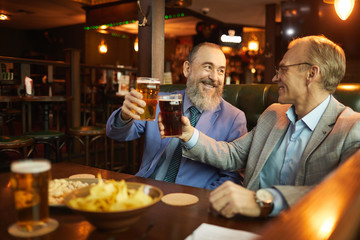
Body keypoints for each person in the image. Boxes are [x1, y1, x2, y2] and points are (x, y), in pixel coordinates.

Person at [159, 35, 360, 217]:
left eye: (283, 69)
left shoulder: (352, 128)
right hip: (245, 223)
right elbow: (232, 155)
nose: (274, 78)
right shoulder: (274, 114)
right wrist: (189, 134)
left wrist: (263, 200)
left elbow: (345, 191)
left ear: (311, 74)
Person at [106, 42, 248, 190]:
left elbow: (232, 179)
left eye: (221, 71)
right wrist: (125, 115)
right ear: (187, 69)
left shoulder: (234, 118)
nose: (214, 77)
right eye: (208, 67)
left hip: (191, 201)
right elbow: (117, 134)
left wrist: (200, 202)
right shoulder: (157, 100)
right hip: (145, 190)